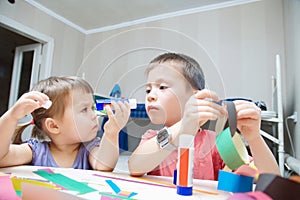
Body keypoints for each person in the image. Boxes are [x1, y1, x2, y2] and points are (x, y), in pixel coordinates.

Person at [128, 52, 280, 180]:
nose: (150, 96)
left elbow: (271, 182)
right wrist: (182, 127)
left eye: (162, 87)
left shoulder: (214, 142)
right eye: (148, 90)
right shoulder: (152, 137)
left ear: (195, 97)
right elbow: (135, 167)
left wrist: (254, 139)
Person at [0, 76, 130, 171]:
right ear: (54, 126)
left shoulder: (89, 148)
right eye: (84, 109)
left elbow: (104, 165)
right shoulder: (36, 151)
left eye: (93, 108)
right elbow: (2, 157)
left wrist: (112, 133)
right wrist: (11, 117)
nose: (94, 115)